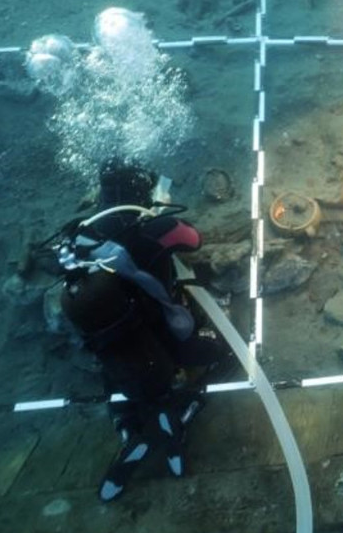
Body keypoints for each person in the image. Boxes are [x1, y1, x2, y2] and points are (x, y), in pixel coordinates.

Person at [57, 160, 229, 502]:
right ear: (142, 193)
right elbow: (194, 238)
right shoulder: (156, 228)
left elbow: (58, 265)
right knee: (222, 351)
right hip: (166, 335)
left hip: (113, 344)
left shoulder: (78, 232)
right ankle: (181, 411)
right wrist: (156, 215)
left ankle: (128, 432)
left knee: (122, 383)